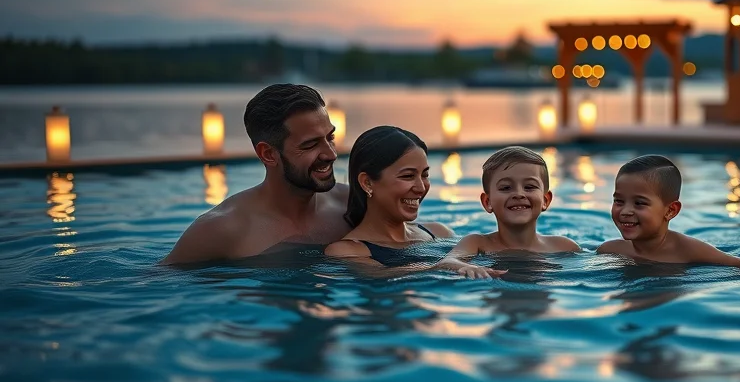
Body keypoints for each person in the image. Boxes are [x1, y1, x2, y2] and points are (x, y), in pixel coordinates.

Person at [161, 84, 349, 265]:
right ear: (268, 154)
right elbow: (158, 283)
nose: (331, 154)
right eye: (310, 145)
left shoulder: (351, 205)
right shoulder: (222, 229)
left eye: (330, 138)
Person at [325, 126, 503, 279]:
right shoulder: (347, 251)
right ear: (367, 182)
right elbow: (383, 274)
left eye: (424, 175)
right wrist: (444, 267)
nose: (420, 187)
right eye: (408, 176)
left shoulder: (439, 232)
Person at [597, 155, 740, 277]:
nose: (625, 211)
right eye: (619, 201)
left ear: (670, 210)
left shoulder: (688, 250)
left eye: (639, 203)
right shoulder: (610, 250)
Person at [438, 146, 580, 278]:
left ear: (545, 200)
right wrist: (465, 267)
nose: (518, 194)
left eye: (529, 186)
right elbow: (447, 261)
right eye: (506, 188)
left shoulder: (563, 246)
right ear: (488, 202)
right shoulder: (477, 243)